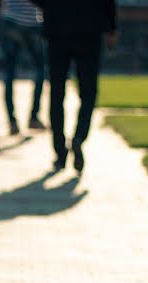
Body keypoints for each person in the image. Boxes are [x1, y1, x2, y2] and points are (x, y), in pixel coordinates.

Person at [30, 0, 118, 173]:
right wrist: (112, 28)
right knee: (88, 92)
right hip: (89, 28)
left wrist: (50, 6)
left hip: (57, 27)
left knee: (57, 94)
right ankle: (79, 137)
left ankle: (60, 151)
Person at [0, 0, 47, 136]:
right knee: (40, 70)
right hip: (31, 22)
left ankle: (13, 122)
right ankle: (33, 117)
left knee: (10, 73)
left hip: (12, 20)